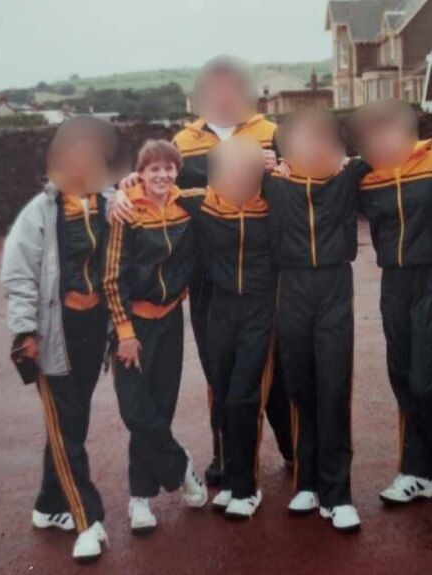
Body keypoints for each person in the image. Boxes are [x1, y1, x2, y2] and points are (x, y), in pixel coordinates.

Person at [112, 55, 293, 487]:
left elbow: (300, 178)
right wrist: (125, 188)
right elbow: (163, 184)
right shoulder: (183, 139)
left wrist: (280, 168)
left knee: (275, 369)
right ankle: (227, 455)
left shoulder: (272, 133)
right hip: (208, 277)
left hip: (263, 272)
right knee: (220, 370)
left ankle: (292, 448)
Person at [1, 116, 116, 562]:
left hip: (94, 330)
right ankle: (87, 519)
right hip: (54, 333)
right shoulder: (40, 211)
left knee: (72, 423)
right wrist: (24, 330)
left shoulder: (108, 203)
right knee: (67, 430)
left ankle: (49, 506)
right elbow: (18, 275)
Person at [348, 99, 432, 505]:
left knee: (425, 378)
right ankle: (417, 471)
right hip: (393, 280)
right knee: (401, 376)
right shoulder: (365, 175)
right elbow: (313, 187)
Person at [264, 108, 371, 532]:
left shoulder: (348, 177)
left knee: (333, 386)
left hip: (333, 288)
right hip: (290, 289)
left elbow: (398, 151)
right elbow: (205, 180)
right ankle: (307, 482)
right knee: (300, 389)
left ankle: (338, 493)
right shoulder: (270, 183)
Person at [103, 139, 208, 534]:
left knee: (160, 408)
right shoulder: (125, 209)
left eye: (168, 168)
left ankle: (140, 498)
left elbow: (235, 182)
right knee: (135, 410)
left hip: (170, 322)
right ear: (140, 173)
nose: (162, 175)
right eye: (153, 169)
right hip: (133, 326)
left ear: (176, 172)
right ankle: (182, 468)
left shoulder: (189, 205)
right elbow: (111, 279)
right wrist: (125, 332)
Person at [188, 136, 277, 519]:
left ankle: (247, 487)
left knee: (244, 398)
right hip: (220, 310)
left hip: (261, 311)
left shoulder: (275, 198)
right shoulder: (202, 202)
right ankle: (231, 479)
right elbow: (151, 187)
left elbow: (324, 175)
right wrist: (125, 190)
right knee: (223, 396)